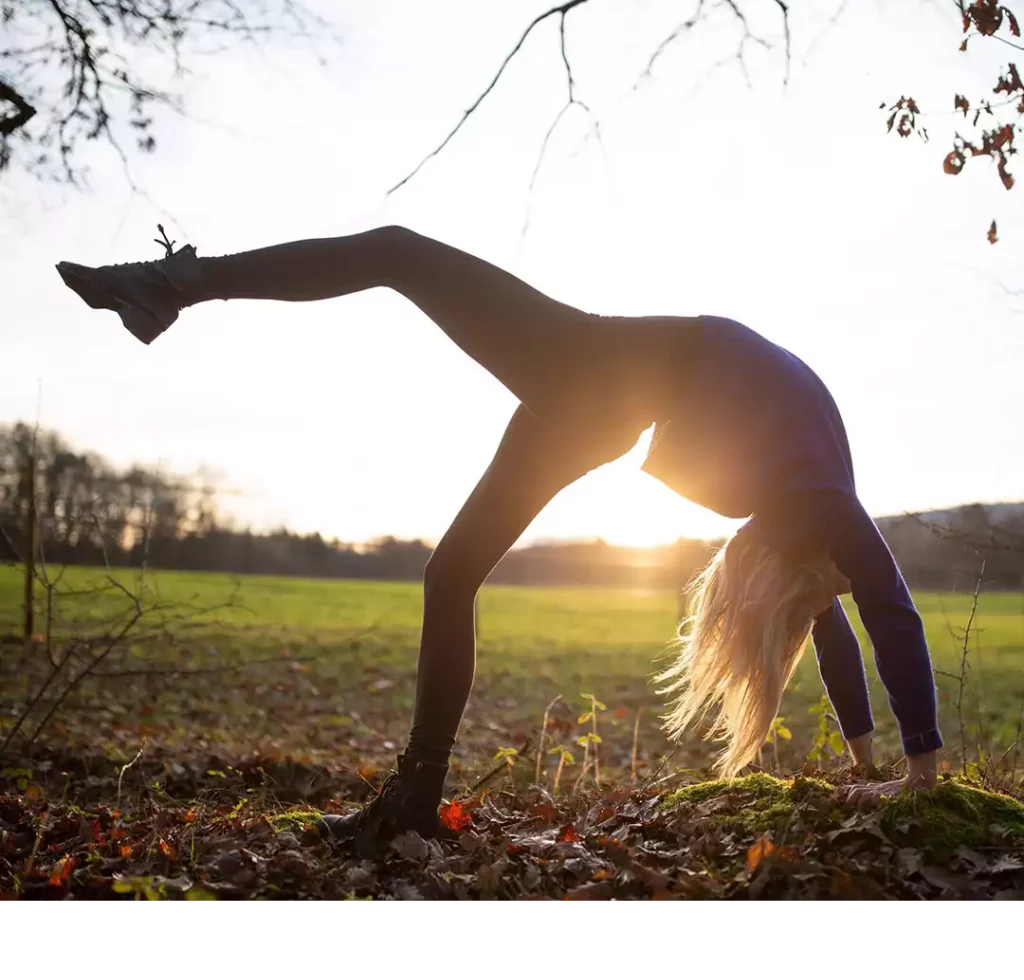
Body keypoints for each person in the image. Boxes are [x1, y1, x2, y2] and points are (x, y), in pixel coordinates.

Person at [55, 225, 942, 841]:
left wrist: (917, 771)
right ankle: (415, 797)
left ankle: (170, 284)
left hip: (604, 378)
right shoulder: (816, 510)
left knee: (397, 254)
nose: (832, 594)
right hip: (607, 392)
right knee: (451, 575)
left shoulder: (814, 512)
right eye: (826, 586)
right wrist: (876, 759)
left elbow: (878, 614)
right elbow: (847, 616)